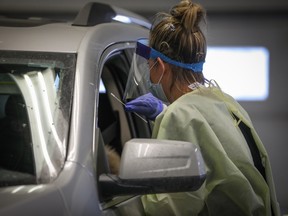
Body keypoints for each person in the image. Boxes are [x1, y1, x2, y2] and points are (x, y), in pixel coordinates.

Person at [124, 0, 280, 215]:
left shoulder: (180, 115)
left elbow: (170, 208)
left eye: (150, 66)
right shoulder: (223, 101)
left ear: (159, 66)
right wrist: (166, 113)